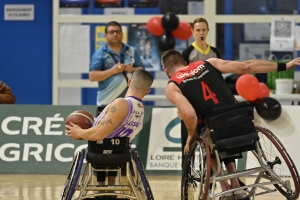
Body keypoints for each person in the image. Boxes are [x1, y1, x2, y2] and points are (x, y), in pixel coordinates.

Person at [161, 49, 300, 200]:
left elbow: (189, 114)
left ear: (166, 71)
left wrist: (190, 136)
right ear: (186, 63)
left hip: (215, 131)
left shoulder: (172, 86)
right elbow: (247, 66)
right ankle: (235, 184)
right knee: (220, 126)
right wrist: (285, 65)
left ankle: (225, 186)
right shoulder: (209, 63)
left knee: (205, 132)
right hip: (241, 120)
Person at [66, 69, 153, 186]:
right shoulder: (141, 110)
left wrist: (79, 132)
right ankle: (111, 187)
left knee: (102, 143)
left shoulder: (121, 103)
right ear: (147, 91)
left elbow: (99, 134)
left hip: (99, 154)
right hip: (122, 155)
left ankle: (101, 186)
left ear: (129, 82)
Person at [180, 17, 221, 164]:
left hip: (211, 102)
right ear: (192, 32)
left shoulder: (215, 53)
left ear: (208, 31)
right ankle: (186, 180)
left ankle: (212, 180)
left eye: (204, 29)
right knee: (188, 143)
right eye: (198, 30)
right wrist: (181, 105)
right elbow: (180, 80)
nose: (201, 32)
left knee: (213, 143)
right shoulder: (187, 53)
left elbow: (219, 78)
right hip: (191, 101)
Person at [89, 21, 145, 115]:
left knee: (128, 130)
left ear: (122, 34)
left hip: (129, 103)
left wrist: (132, 70)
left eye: (117, 31)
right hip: (106, 103)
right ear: (105, 35)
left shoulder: (131, 51)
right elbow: (92, 76)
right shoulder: (100, 53)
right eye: (111, 32)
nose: (115, 34)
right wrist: (112, 71)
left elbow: (142, 72)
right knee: (104, 130)